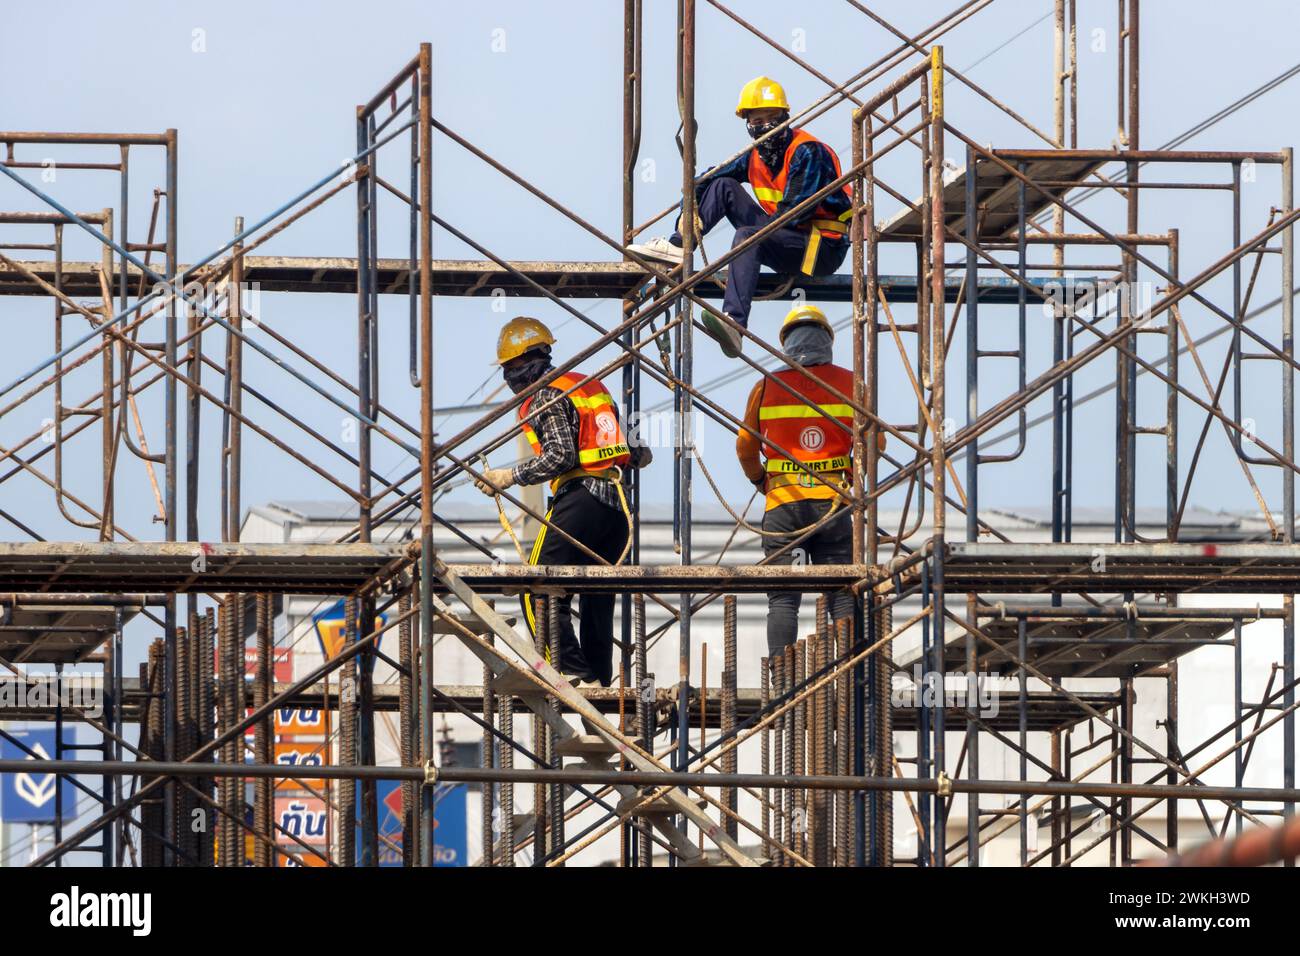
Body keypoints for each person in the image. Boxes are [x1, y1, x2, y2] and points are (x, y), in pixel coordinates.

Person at [474, 316, 651, 687]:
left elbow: (560, 457)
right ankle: (599, 682)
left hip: (581, 500)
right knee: (596, 599)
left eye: (511, 367)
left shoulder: (546, 394)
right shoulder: (589, 386)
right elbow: (636, 453)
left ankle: (569, 670)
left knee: (535, 582)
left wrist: (509, 477)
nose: (509, 375)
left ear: (524, 361)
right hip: (616, 509)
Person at [628, 76, 853, 359]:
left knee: (747, 236)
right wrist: (689, 214)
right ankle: (678, 245)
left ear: (785, 116)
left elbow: (794, 213)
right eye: (757, 121)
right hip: (786, 239)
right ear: (748, 124)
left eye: (772, 117)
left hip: (821, 248)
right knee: (722, 186)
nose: (765, 126)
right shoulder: (755, 157)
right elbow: (704, 180)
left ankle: (734, 323)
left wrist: (756, 237)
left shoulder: (807, 151)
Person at [735, 305, 855, 657]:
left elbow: (745, 448)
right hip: (832, 506)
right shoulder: (852, 383)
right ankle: (849, 673)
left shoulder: (766, 385)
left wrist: (761, 479)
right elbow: (875, 444)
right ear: (827, 341)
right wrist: (849, 474)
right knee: (841, 592)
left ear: (786, 344)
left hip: (784, 506)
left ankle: (781, 685)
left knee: (784, 597)